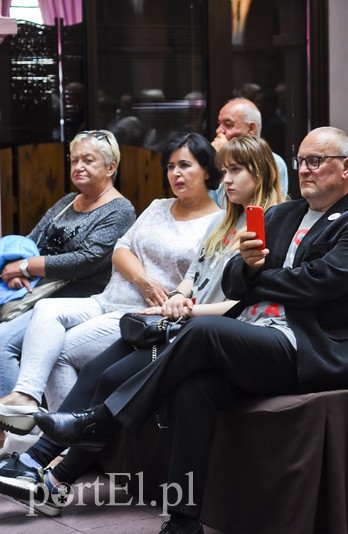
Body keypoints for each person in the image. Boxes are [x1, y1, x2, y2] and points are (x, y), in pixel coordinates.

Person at [33, 127, 348, 533]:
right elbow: (236, 279)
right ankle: (184, 521)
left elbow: (317, 284)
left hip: (309, 351)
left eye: (316, 161)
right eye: (301, 160)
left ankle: (101, 421)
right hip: (257, 337)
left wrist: (258, 276)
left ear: (346, 168)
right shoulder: (280, 214)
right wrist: (253, 270)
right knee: (192, 389)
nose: (304, 170)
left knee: (203, 331)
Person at [0, 134, 284, 517]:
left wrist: (183, 310)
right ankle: (37, 461)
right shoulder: (227, 221)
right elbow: (192, 277)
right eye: (225, 170)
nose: (226, 180)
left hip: (204, 333)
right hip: (173, 322)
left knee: (111, 375)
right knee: (100, 368)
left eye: (235, 171)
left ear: (260, 173)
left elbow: (239, 304)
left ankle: (47, 473)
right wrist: (177, 297)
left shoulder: (268, 224)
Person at [0, 133, 221, 433]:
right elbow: (121, 250)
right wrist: (142, 279)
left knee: (58, 349)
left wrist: (158, 294)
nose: (176, 174)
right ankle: (26, 398)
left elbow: (200, 279)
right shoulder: (158, 206)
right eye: (170, 166)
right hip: (107, 298)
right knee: (45, 310)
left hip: (141, 315)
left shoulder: (217, 222)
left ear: (207, 170)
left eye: (185, 165)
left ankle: (66, 436)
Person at [0, 130, 137, 418]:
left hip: (78, 299)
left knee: (2, 342)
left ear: (111, 167)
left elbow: (87, 259)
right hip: (35, 293)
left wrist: (26, 267)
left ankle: (17, 428)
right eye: (74, 160)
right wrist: (15, 271)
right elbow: (32, 241)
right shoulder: (66, 202)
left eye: (88, 160)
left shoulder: (121, 209)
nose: (78, 167)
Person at [211, 97, 289, 200]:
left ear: (251, 129)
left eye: (228, 124)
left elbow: (262, 209)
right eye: (219, 124)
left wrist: (225, 155)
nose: (219, 130)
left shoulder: (272, 162)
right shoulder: (215, 156)